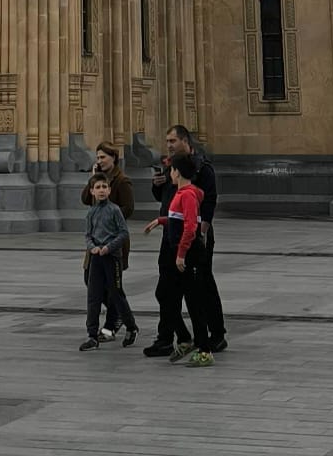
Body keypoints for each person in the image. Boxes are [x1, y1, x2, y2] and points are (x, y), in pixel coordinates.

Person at [150, 123, 225, 351]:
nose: (169, 146)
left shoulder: (202, 168)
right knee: (166, 288)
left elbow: (209, 201)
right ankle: (169, 337)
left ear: (185, 141)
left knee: (200, 287)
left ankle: (215, 334)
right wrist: (156, 186)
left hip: (193, 238)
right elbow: (164, 197)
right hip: (171, 235)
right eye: (167, 142)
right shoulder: (170, 167)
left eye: (172, 141)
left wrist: (201, 233)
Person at [141, 158, 212, 364]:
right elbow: (177, 218)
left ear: (178, 172)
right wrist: (160, 221)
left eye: (171, 170)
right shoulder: (180, 194)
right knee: (164, 294)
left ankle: (204, 349)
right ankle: (184, 337)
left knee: (193, 301)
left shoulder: (188, 194)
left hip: (188, 255)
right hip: (177, 253)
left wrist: (181, 254)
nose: (169, 174)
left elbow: (191, 227)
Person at [78, 171, 136, 350]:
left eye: (104, 187)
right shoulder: (92, 212)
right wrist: (92, 247)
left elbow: (123, 232)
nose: (101, 190)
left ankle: (131, 327)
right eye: (98, 187)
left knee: (116, 293)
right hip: (96, 258)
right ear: (92, 191)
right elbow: (88, 235)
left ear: (109, 190)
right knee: (93, 296)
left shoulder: (114, 210)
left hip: (112, 258)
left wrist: (109, 247)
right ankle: (92, 335)